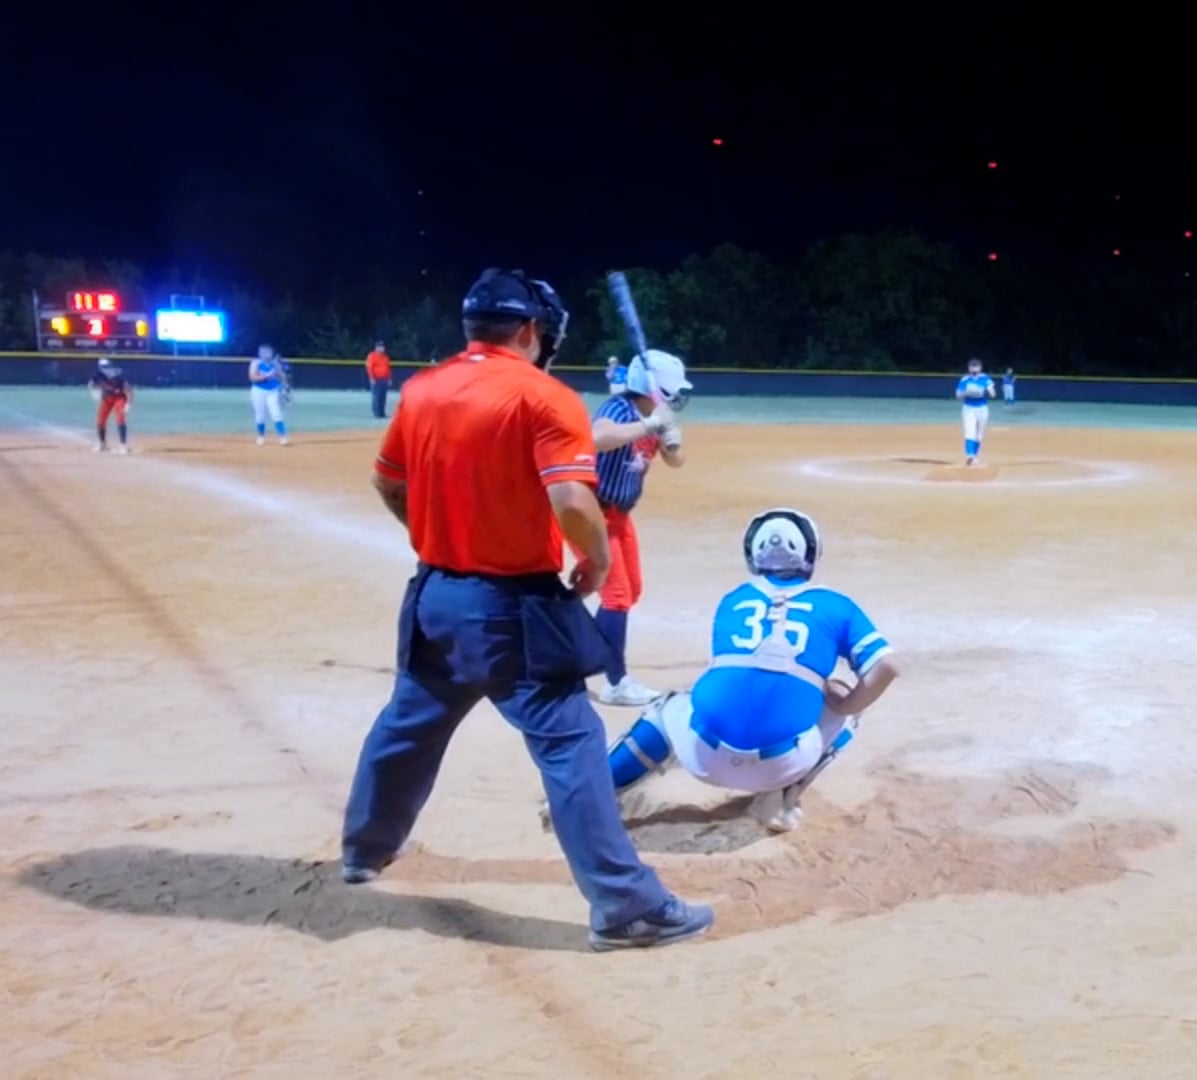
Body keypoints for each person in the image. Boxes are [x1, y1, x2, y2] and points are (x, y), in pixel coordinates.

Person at [340, 267, 712, 951]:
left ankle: (364, 849)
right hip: (512, 605)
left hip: (434, 595)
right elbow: (572, 500)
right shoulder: (545, 396)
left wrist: (434, 537)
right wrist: (596, 560)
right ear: (532, 330)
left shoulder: (422, 388)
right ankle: (625, 907)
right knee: (571, 742)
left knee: (408, 723)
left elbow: (386, 482)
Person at [575, 509, 900, 835]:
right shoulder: (836, 604)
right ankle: (779, 801)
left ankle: (590, 795)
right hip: (782, 764)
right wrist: (845, 704)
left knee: (667, 708)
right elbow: (886, 666)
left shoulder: (734, 599)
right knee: (844, 704)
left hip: (703, 757)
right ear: (811, 553)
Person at [582, 350, 693, 706]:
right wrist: (650, 425)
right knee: (616, 597)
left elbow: (676, 461)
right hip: (592, 512)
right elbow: (597, 437)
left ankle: (576, 651)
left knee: (630, 591)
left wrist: (670, 438)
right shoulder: (620, 409)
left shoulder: (653, 416)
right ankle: (615, 682)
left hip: (620, 516)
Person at [955, 358, 996, 466]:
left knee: (979, 434)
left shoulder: (985, 378)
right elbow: (958, 395)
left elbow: (993, 394)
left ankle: (974, 456)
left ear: (980, 368)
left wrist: (985, 391)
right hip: (968, 408)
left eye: (976, 368)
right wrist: (967, 392)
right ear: (969, 369)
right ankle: (970, 455)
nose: (974, 371)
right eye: (972, 368)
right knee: (969, 431)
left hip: (982, 408)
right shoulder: (965, 379)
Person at [88, 358, 133, 454]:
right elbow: (91, 384)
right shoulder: (99, 375)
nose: (104, 368)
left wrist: (128, 403)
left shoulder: (118, 376)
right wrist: (93, 392)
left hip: (119, 398)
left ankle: (123, 445)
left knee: (120, 419)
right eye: (102, 367)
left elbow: (129, 390)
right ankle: (102, 444)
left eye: (106, 366)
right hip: (106, 399)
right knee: (100, 421)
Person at [248, 344, 290, 446]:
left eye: (269, 352)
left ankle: (282, 437)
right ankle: (261, 436)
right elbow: (253, 378)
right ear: (260, 354)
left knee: (276, 413)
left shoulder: (275, 364)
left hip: (273, 391)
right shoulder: (256, 363)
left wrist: (285, 386)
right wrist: (268, 375)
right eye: (264, 352)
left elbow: (281, 376)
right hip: (258, 391)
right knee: (260, 414)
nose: (267, 354)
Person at [366, 339, 393, 419]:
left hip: (384, 379)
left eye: (382, 347)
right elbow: (370, 368)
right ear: (376, 347)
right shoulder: (372, 356)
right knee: (376, 396)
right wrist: (372, 378)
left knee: (383, 397)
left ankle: (382, 413)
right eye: (380, 346)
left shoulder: (385, 357)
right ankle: (376, 413)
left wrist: (389, 379)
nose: (382, 348)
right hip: (376, 379)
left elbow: (388, 368)